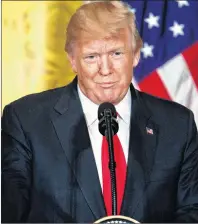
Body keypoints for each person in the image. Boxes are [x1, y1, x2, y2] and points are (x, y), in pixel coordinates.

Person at [2, 1, 198, 223]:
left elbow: (192, 213)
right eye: (91, 57)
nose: (105, 70)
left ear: (135, 54)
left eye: (116, 53)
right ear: (72, 60)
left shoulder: (179, 125)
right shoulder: (26, 122)